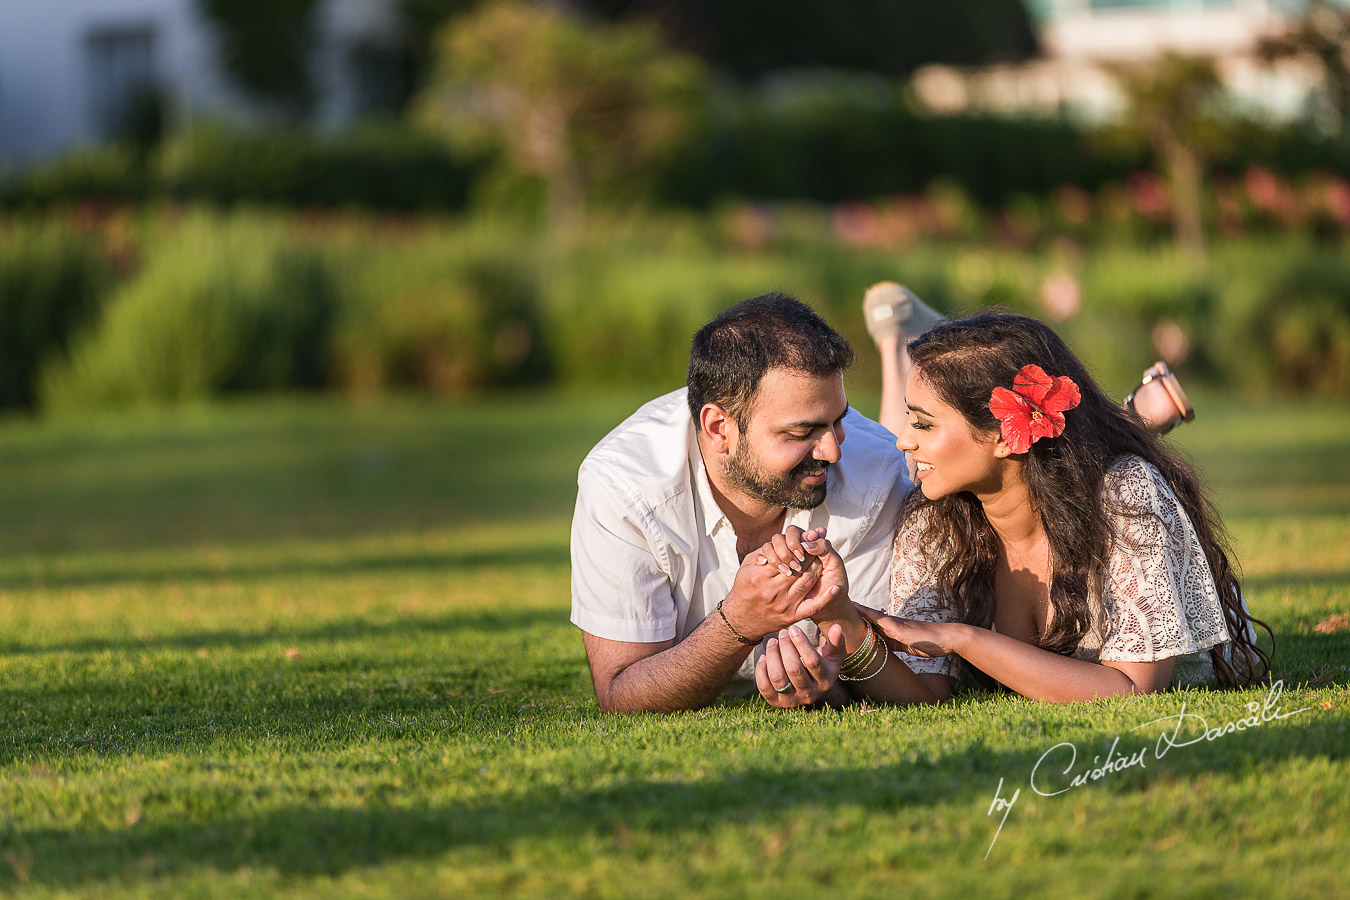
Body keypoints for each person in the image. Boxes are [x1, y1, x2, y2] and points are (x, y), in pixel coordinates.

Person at [757, 308, 1271, 704]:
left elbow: (1130, 691)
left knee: (1112, 458)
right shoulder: (935, 518)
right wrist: (841, 619)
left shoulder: (1124, 495)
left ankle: (1137, 416)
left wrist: (961, 638)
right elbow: (927, 695)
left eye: (924, 423)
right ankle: (1141, 411)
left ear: (1006, 434)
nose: (904, 443)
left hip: (1186, 668)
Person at [570, 293, 909, 713]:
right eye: (802, 432)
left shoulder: (876, 472)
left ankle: (902, 349)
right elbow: (621, 695)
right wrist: (738, 623)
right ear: (718, 429)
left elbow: (886, 676)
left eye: (838, 421)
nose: (832, 452)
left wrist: (828, 686)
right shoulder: (623, 485)